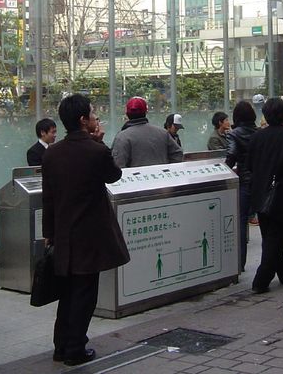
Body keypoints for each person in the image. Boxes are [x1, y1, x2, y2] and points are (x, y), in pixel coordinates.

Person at [42, 94, 130, 366]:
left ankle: (61, 345)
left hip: (64, 234)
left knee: (67, 292)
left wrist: (49, 232)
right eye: (92, 114)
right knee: (84, 293)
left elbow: (48, 198)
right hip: (90, 235)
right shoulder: (96, 150)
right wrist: (99, 140)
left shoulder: (52, 153)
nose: (95, 117)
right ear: (83, 120)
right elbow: (114, 175)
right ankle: (75, 349)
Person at [248, 98, 283, 293]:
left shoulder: (256, 137)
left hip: (261, 195)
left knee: (270, 239)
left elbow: (249, 166)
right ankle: (260, 281)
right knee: (276, 240)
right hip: (282, 195)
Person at [226, 101, 260, 271]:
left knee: (241, 222)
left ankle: (240, 263)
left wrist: (224, 169)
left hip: (244, 183)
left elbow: (231, 154)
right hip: (261, 183)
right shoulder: (260, 132)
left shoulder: (234, 134)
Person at [111, 97, 183, 168]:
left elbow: (117, 166)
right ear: (146, 112)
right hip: (162, 178)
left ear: (126, 113)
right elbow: (178, 154)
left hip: (137, 179)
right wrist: (167, 169)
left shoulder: (122, 137)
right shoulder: (163, 133)